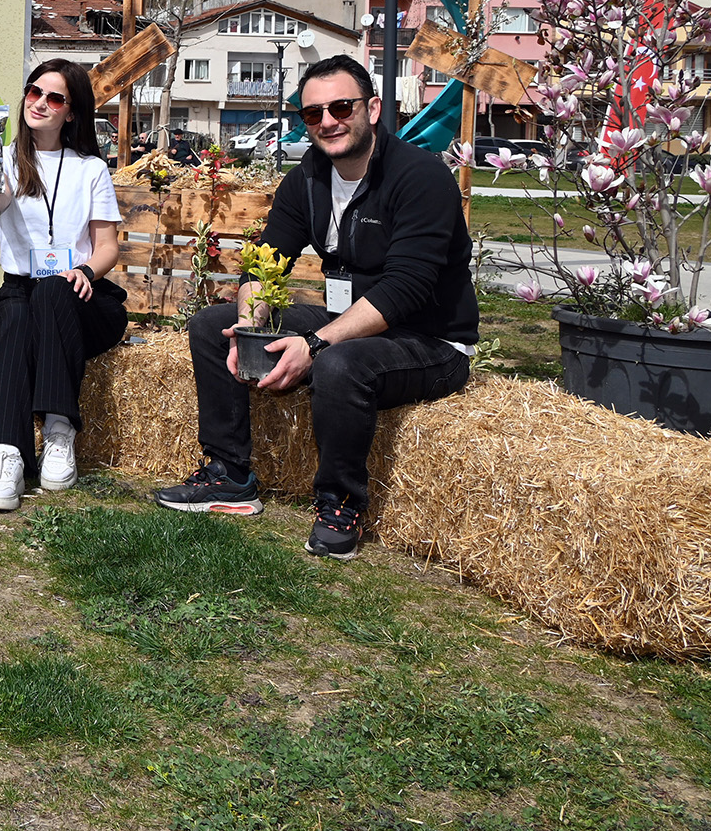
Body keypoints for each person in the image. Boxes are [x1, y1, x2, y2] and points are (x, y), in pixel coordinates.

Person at [153, 53, 478, 559]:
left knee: (339, 362)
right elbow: (266, 263)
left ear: (372, 109)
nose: (328, 121)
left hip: (428, 339)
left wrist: (315, 343)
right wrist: (248, 320)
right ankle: (229, 475)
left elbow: (406, 289)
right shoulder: (308, 178)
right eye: (313, 114)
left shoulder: (419, 178)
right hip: (346, 320)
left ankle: (340, 503)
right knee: (212, 326)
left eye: (341, 107)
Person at [0, 59, 127, 512]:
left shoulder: (90, 168)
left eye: (54, 97)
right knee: (16, 313)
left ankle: (58, 430)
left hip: (80, 297)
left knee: (54, 290)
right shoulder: (3, 161)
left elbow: (108, 247)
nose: (39, 103)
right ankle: (7, 453)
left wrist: (86, 272)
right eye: (34, 92)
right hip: (18, 292)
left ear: (71, 112)